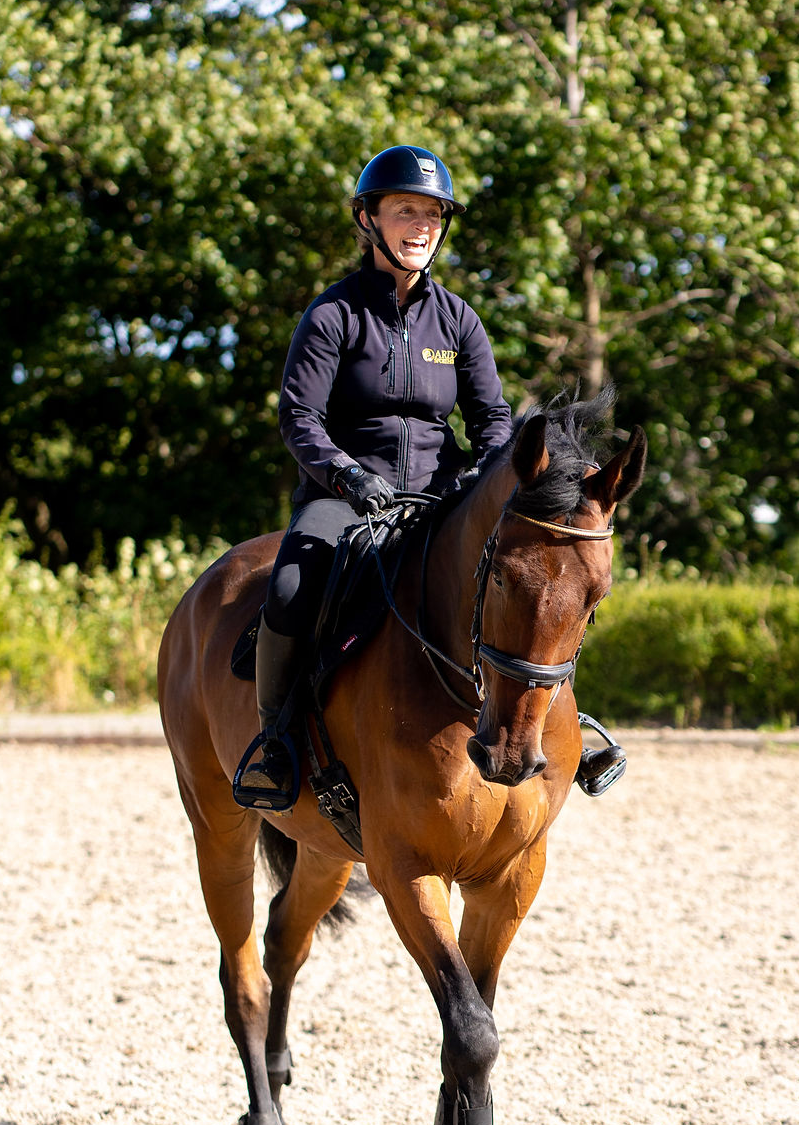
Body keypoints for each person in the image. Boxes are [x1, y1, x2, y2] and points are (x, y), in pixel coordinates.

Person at [237, 144, 625, 809]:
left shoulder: (459, 321)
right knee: (295, 586)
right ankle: (277, 738)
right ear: (370, 219)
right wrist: (350, 477)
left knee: (536, 584)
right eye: (405, 211)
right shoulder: (333, 316)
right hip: (347, 497)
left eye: (432, 215)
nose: (420, 226)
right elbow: (300, 418)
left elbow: (494, 419)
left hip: (442, 496)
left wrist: (480, 480)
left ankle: (569, 726)